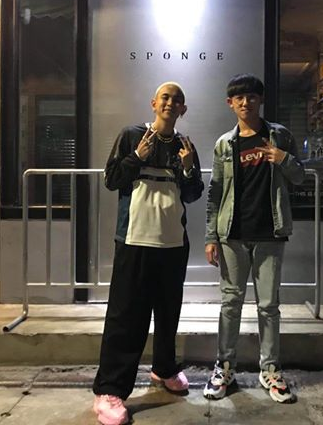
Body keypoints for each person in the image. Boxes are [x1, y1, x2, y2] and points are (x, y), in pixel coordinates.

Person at [93, 82, 204, 425]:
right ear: (154, 103)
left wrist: (188, 168)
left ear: (183, 109)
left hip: (173, 243)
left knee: (168, 312)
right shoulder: (132, 135)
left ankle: (164, 369)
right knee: (126, 317)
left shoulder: (185, 145)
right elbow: (112, 179)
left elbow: (193, 194)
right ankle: (110, 390)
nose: (171, 103)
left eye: (177, 100)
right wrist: (138, 157)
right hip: (134, 240)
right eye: (165, 97)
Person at [203, 73, 304, 403]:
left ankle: (270, 369)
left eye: (251, 96)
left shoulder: (279, 136)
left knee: (269, 306)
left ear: (260, 100)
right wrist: (211, 236)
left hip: (270, 233)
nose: (245, 102)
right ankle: (224, 367)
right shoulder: (224, 144)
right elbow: (216, 191)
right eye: (239, 98)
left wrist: (283, 159)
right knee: (230, 303)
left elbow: (300, 176)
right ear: (230, 103)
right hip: (232, 235)